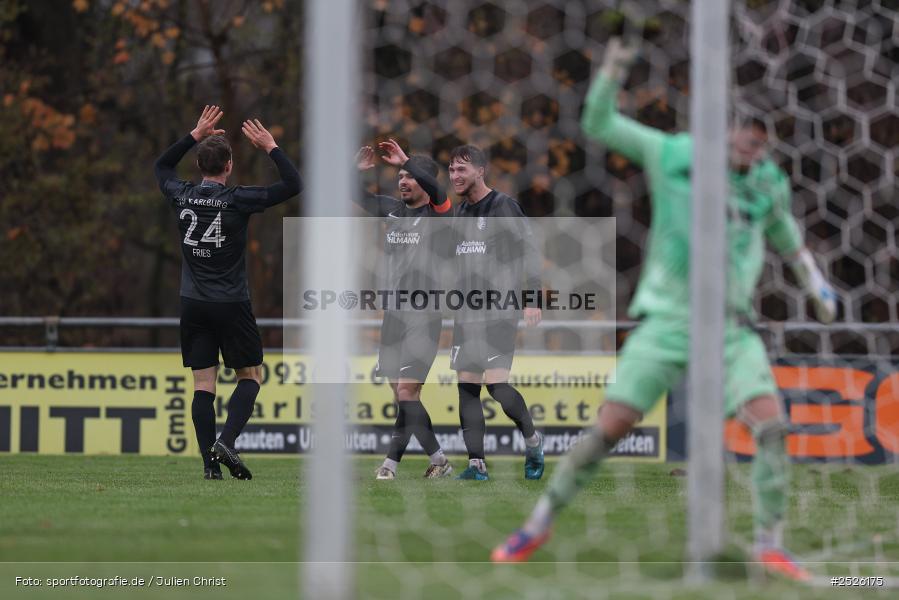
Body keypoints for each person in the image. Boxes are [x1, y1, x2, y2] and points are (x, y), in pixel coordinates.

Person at [491, 40, 837, 581]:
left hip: (729, 328)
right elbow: (599, 121)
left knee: (771, 427)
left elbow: (787, 236)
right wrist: (612, 66)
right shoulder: (673, 152)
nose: (752, 150)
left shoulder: (769, 182)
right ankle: (538, 523)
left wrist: (816, 284)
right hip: (668, 322)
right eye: (746, 138)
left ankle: (771, 543)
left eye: (762, 144)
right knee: (609, 429)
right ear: (725, 130)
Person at [154, 106, 302, 480]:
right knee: (250, 376)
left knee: (204, 384)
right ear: (229, 166)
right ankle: (227, 442)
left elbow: (161, 167)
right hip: (231, 303)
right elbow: (293, 184)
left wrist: (194, 134)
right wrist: (270, 146)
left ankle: (209, 466)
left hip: (193, 304)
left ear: (201, 165)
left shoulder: (182, 194)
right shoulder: (238, 199)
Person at [354, 139, 454, 480]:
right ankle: (439, 460)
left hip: (424, 317)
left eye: (409, 177)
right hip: (393, 315)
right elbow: (362, 198)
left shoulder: (439, 215)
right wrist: (357, 174)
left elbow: (439, 192)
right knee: (402, 395)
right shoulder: (394, 211)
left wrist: (410, 161)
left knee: (407, 391)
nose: (402, 181)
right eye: (399, 176)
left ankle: (390, 465)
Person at [447, 144, 545, 481]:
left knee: (497, 386)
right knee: (466, 386)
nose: (454, 176)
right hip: (466, 314)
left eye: (461, 169)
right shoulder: (459, 212)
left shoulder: (503, 206)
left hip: (499, 310)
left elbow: (530, 251)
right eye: (451, 170)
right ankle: (477, 464)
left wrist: (532, 297)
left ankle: (532, 441)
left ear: (479, 170)